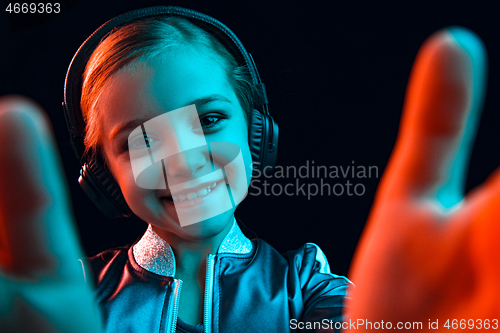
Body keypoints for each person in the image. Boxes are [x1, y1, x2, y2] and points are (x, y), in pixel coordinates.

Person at [1, 6, 499, 333]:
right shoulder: (74, 298)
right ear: (104, 178)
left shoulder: (306, 289)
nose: (185, 159)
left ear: (256, 133)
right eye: (144, 140)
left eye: (210, 119)